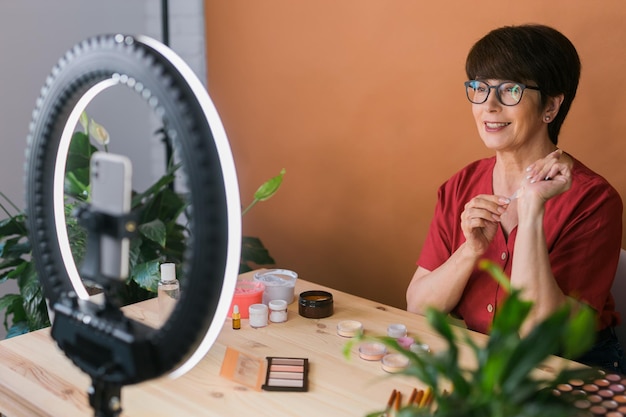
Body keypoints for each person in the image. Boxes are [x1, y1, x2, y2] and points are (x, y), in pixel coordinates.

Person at [406, 24, 625, 373]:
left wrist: (533, 210)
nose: (489, 106)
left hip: (570, 370)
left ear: (551, 105)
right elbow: (418, 305)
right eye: (479, 88)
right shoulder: (460, 185)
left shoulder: (594, 200)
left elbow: (536, 333)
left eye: (510, 90)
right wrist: (471, 251)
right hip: (486, 365)